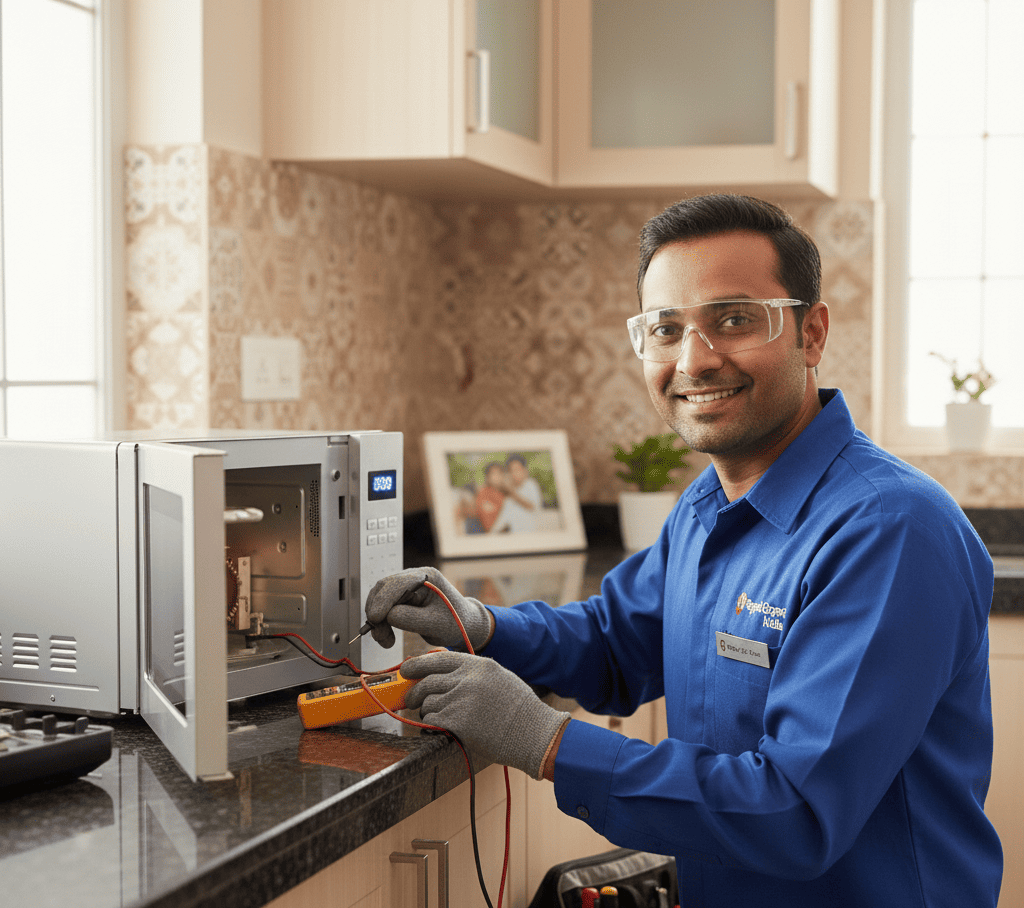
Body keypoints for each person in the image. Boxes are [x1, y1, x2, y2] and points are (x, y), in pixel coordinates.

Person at [365, 194, 1002, 906]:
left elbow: (796, 811)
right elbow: (617, 641)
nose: (694, 360)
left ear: (811, 333)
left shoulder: (889, 530)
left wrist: (546, 740)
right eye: (666, 328)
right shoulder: (708, 504)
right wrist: (483, 626)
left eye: (733, 320)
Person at [488, 453, 542, 533]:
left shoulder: (530, 484)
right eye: (511, 471)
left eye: (517, 470)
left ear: (525, 470)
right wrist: (491, 534)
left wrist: (512, 493)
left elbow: (533, 506)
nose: (514, 474)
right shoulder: (509, 496)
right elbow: (502, 520)